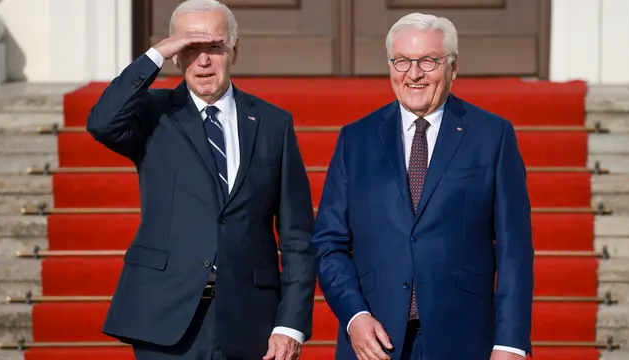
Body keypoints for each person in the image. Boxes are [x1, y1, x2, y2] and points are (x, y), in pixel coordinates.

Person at [86, 1, 316, 359]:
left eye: (214, 47)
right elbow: (102, 122)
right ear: (176, 56)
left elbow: (298, 235)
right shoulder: (154, 114)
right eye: (190, 48)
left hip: (250, 320)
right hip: (164, 317)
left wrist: (290, 325)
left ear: (233, 51)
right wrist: (156, 54)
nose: (203, 60)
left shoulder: (273, 124)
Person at [310, 12, 534, 360]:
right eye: (401, 61)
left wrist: (510, 343)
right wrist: (355, 317)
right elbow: (329, 242)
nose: (413, 74)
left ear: (453, 68)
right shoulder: (356, 139)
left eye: (428, 61)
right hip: (376, 341)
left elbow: (514, 249)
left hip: (464, 340)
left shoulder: (492, 136)